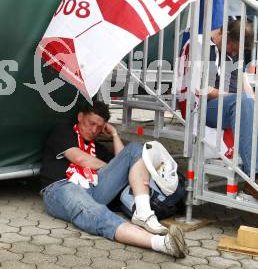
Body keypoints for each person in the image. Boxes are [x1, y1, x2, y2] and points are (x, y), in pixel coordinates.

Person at [40, 100, 188, 258]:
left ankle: (143, 213)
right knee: (96, 213)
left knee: (136, 149)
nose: (94, 130)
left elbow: (126, 162)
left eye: (99, 127)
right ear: (80, 116)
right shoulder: (63, 131)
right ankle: (162, 244)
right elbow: (80, 159)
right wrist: (109, 167)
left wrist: (115, 135)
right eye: (91, 123)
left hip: (95, 187)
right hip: (62, 187)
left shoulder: (97, 148)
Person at [206, 19, 258, 199]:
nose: (235, 53)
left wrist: (253, 101)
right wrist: (237, 97)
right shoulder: (203, 45)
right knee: (242, 102)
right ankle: (253, 179)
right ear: (224, 35)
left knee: (248, 102)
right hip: (210, 106)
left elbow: (244, 84)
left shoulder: (236, 50)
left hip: (236, 103)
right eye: (233, 48)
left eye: (238, 50)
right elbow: (203, 89)